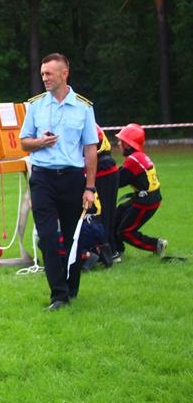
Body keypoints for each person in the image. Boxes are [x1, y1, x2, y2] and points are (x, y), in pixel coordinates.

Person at [19, 53, 98, 311]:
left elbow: (90, 149)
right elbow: (23, 142)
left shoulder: (84, 107)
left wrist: (90, 188)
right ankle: (59, 295)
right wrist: (39, 142)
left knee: (73, 237)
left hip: (72, 179)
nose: (44, 78)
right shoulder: (36, 106)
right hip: (42, 177)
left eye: (49, 73)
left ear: (64, 74)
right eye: (42, 74)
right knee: (48, 237)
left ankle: (71, 287)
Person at [113, 123, 167, 257]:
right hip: (145, 197)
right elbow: (122, 174)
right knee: (116, 216)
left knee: (125, 231)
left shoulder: (133, 160)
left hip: (146, 201)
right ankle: (117, 250)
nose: (118, 144)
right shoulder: (138, 156)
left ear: (127, 144)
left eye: (121, 141)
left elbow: (118, 181)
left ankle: (156, 245)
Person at [94, 124, 118, 266]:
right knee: (108, 213)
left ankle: (107, 251)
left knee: (101, 214)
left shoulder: (85, 123)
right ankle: (112, 249)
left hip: (102, 172)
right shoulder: (91, 123)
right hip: (109, 170)